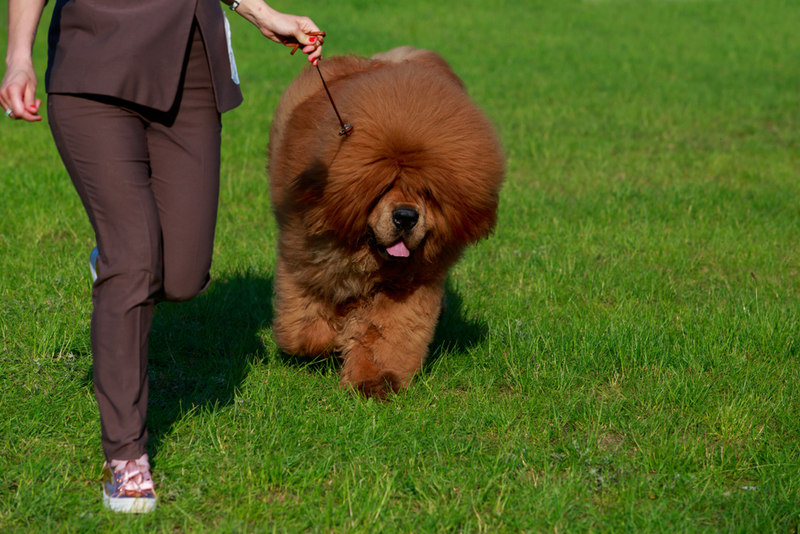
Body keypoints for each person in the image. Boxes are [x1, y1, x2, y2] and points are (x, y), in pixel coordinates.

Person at [1, 0, 323, 514]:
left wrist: (261, 13)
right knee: (134, 263)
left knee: (182, 277)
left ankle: (120, 259)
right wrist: (19, 55)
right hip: (96, 63)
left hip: (190, 68)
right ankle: (126, 457)